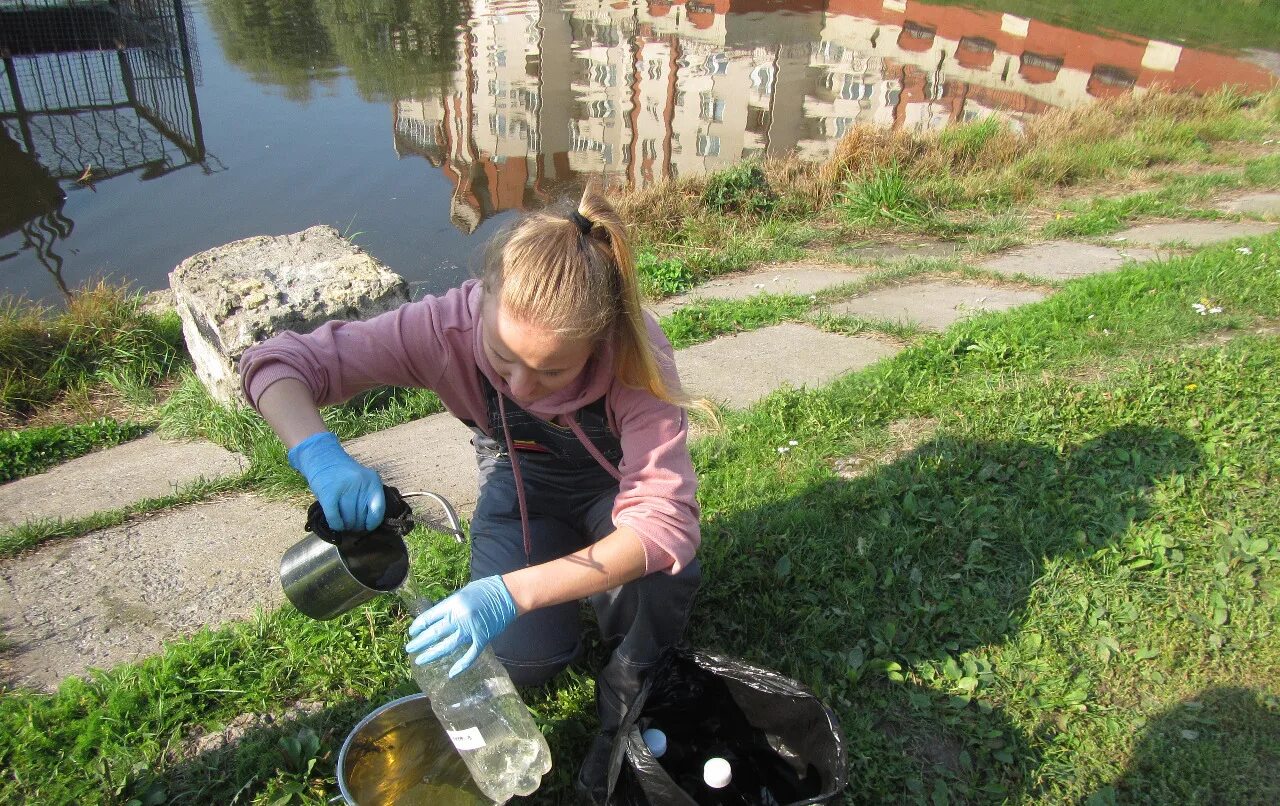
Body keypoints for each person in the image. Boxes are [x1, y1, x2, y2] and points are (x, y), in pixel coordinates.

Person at [239, 186, 703, 802]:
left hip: (617, 486)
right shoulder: (441, 329)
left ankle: (634, 694)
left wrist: (511, 591)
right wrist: (319, 455)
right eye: (502, 358)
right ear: (480, 301)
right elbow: (275, 365)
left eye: (552, 371)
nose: (521, 386)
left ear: (598, 339)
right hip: (524, 479)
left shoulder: (634, 351)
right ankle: (569, 605)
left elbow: (663, 525)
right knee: (521, 660)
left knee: (659, 583)